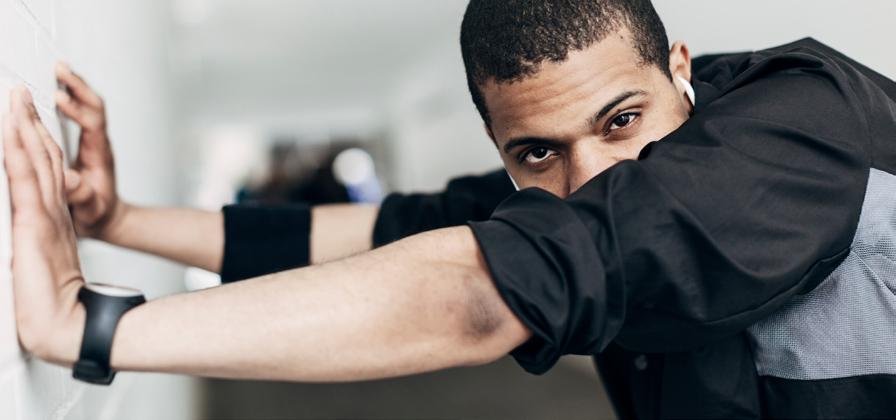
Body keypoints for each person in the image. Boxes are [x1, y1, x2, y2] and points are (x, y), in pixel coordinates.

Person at [5, 0, 896, 418]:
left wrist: (91, 327)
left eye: (621, 121)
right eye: (536, 152)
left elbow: (483, 293)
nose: (589, 178)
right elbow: (378, 234)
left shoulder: (802, 131)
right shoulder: (559, 186)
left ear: (681, 71)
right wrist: (120, 220)